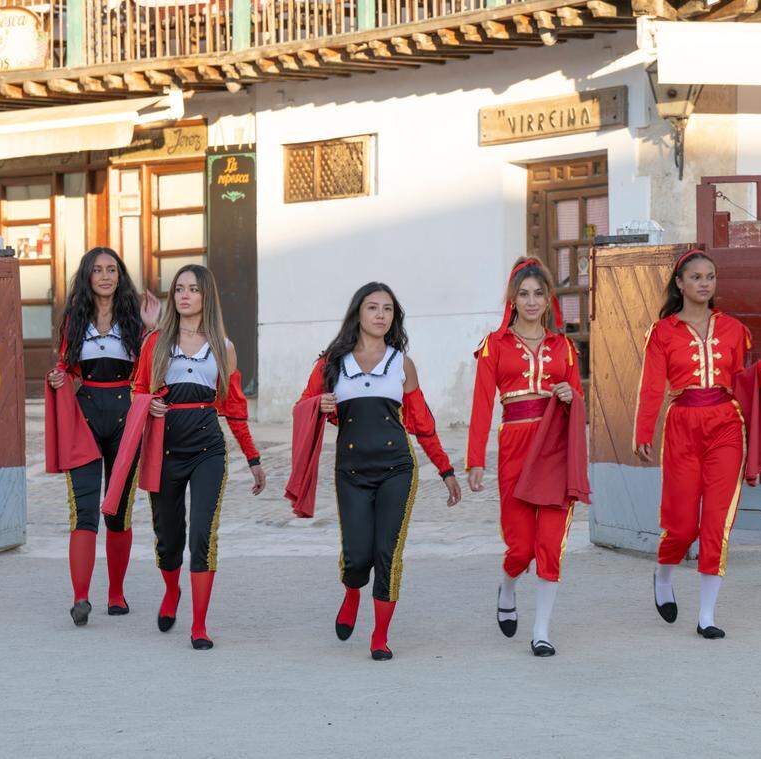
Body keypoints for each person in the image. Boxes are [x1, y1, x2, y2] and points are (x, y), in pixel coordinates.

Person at [295, 283, 461, 661]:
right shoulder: (331, 363)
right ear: (358, 313)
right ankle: (352, 592)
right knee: (357, 555)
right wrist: (318, 404)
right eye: (373, 308)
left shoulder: (402, 364)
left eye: (387, 309)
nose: (381, 315)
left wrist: (445, 469)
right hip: (351, 471)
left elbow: (422, 423)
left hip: (397, 470)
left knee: (388, 553)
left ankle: (380, 636)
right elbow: (304, 405)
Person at [104, 264, 265, 650]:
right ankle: (172, 591)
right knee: (168, 535)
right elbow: (137, 388)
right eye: (179, 289)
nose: (185, 295)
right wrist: (150, 404)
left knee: (202, 535)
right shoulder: (155, 342)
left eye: (193, 289)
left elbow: (235, 409)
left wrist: (254, 458)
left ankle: (199, 624)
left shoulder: (223, 347)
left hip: (209, 448)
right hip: (164, 449)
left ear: (206, 296)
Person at [467, 257, 584, 657]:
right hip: (515, 445)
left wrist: (570, 395)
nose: (531, 301)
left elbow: (576, 396)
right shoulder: (494, 346)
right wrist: (475, 459)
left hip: (554, 445)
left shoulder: (563, 346)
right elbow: (482, 405)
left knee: (550, 543)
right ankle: (508, 584)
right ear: (512, 300)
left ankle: (541, 631)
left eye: (538, 293)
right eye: (524, 294)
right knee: (522, 547)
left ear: (548, 299)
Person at [633, 250, 751, 640]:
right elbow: (652, 386)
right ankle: (663, 574)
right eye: (696, 277)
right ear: (680, 283)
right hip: (682, 424)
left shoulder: (734, 328)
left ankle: (706, 615)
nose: (705, 283)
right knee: (682, 525)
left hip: (726, 425)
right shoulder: (662, 331)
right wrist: (642, 431)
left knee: (717, 520)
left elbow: (742, 383)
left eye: (711, 277)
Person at [45, 247, 159, 626]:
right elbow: (65, 366)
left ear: (120, 276)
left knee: (118, 510)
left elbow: (156, 366)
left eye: (112, 269)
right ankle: (80, 598)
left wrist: (154, 327)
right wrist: (60, 376)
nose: (106, 276)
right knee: (84, 509)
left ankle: (116, 592)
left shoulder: (137, 321)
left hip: (127, 419)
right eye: (98, 270)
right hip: (86, 415)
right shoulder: (73, 320)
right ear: (87, 277)